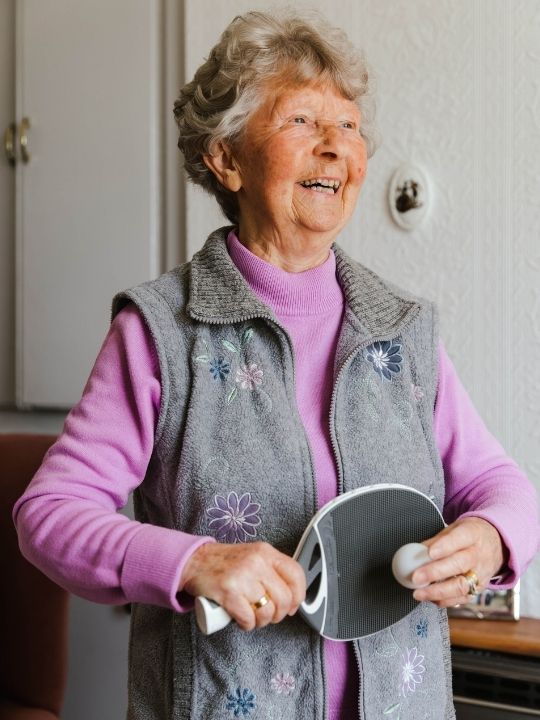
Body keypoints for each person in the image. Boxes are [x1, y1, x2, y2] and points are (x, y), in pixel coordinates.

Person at [13, 9, 539, 720]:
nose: (335, 148)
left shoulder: (402, 329)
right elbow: (47, 516)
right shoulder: (161, 331)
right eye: (300, 122)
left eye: (348, 127)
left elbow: (500, 483)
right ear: (225, 156)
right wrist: (194, 563)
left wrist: (491, 535)